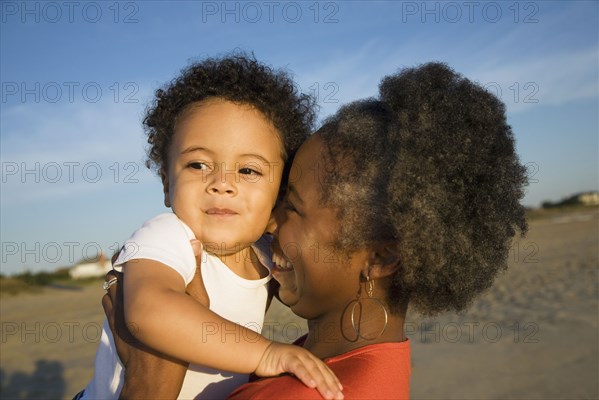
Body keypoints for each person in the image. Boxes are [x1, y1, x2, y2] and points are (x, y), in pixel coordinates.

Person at [103, 62, 529, 399]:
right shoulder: (366, 359)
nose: (269, 222)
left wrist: (149, 386)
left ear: (381, 256)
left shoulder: (310, 390)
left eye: (291, 206)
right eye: (198, 164)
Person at [78, 54, 343, 400]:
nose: (222, 183)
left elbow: (315, 282)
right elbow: (149, 311)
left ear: (278, 192)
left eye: (248, 171)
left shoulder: (265, 251)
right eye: (198, 164)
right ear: (166, 182)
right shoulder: (169, 236)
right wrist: (264, 353)